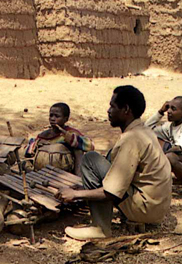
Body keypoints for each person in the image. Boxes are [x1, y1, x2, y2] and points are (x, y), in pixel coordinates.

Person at [56, 86, 172, 240]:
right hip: (157, 206)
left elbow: (111, 192)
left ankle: (100, 229)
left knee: (90, 160)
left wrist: (76, 194)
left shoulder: (131, 139)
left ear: (126, 109)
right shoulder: (144, 130)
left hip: (146, 209)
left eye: (113, 106)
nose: (108, 111)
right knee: (110, 155)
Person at [25, 102, 94, 175]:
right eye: (51, 115)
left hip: (64, 173)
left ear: (65, 119)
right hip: (42, 172)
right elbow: (28, 153)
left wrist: (69, 137)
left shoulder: (71, 133)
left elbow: (90, 146)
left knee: (78, 149)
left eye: (57, 116)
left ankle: (78, 178)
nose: (52, 119)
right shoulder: (43, 135)